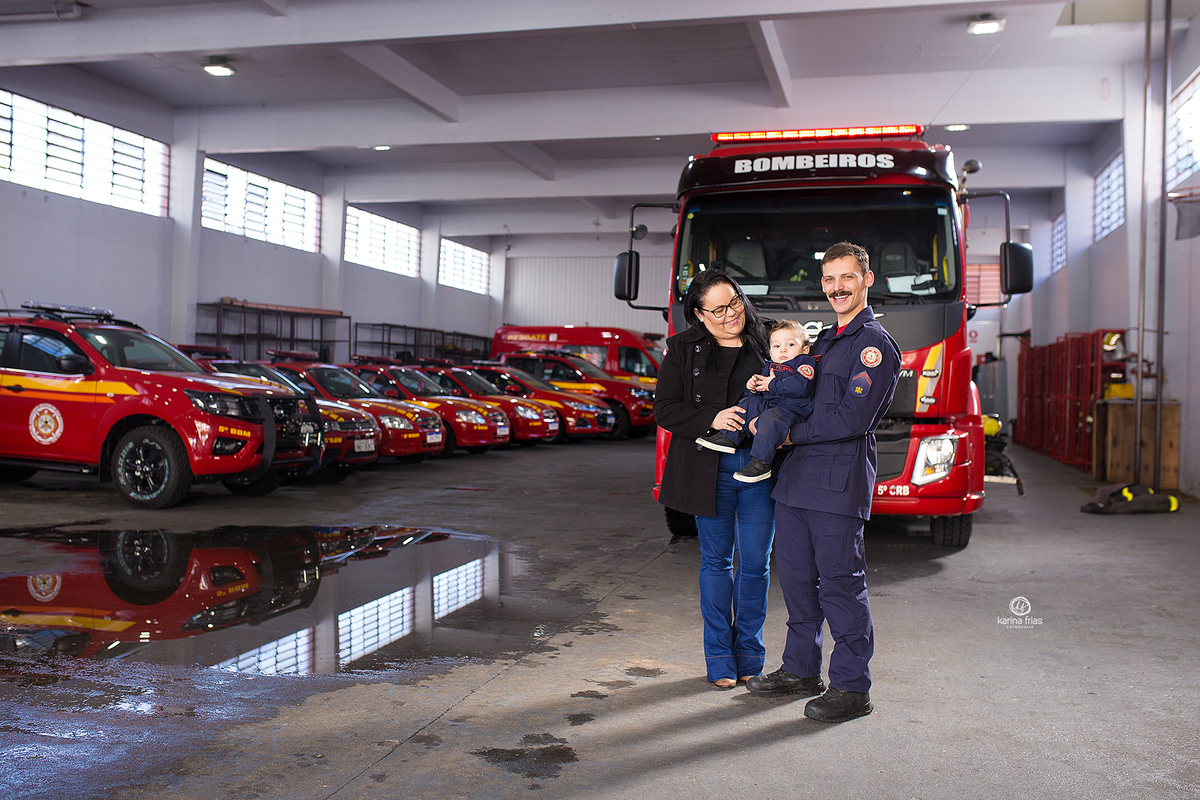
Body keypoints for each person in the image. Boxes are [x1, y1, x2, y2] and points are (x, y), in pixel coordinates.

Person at [745, 241, 901, 723]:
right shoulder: (825, 341)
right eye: (829, 279)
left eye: (847, 277)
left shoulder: (872, 345)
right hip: (793, 485)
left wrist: (787, 433)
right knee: (795, 584)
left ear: (866, 279)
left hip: (836, 486)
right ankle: (800, 670)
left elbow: (850, 418)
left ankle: (852, 688)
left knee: (840, 587)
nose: (837, 288)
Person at [653, 269, 775, 689]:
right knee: (717, 563)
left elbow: (801, 388)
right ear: (700, 314)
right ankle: (720, 657)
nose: (730, 315)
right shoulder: (681, 350)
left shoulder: (769, 340)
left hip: (761, 469)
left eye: (735, 302)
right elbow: (665, 409)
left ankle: (751, 656)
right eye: (718, 309)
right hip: (711, 470)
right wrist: (712, 418)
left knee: (756, 566)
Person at [696, 320, 816, 484]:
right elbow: (759, 388)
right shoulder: (771, 365)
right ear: (770, 352)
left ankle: (760, 463)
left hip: (792, 411)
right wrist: (752, 387)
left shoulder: (804, 363)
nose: (783, 350)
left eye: (790, 344)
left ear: (805, 349)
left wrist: (771, 384)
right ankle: (729, 437)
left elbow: (800, 387)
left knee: (770, 417)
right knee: (749, 403)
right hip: (772, 406)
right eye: (776, 346)